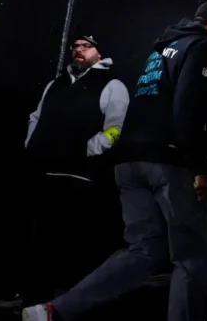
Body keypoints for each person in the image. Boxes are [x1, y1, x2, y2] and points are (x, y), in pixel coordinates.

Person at [23, 0, 207, 321]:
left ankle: (54, 311)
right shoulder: (202, 47)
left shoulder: (161, 49)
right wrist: (201, 168)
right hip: (169, 162)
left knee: (144, 250)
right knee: (191, 256)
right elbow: (189, 107)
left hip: (128, 162)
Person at [23, 35, 129, 307]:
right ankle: (36, 305)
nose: (79, 50)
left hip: (82, 179)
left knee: (76, 245)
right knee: (40, 243)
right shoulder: (56, 84)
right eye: (76, 47)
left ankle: (73, 306)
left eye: (86, 46)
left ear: (99, 53)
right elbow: (36, 116)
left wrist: (87, 149)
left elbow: (116, 129)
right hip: (45, 174)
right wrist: (32, 142)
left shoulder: (112, 85)